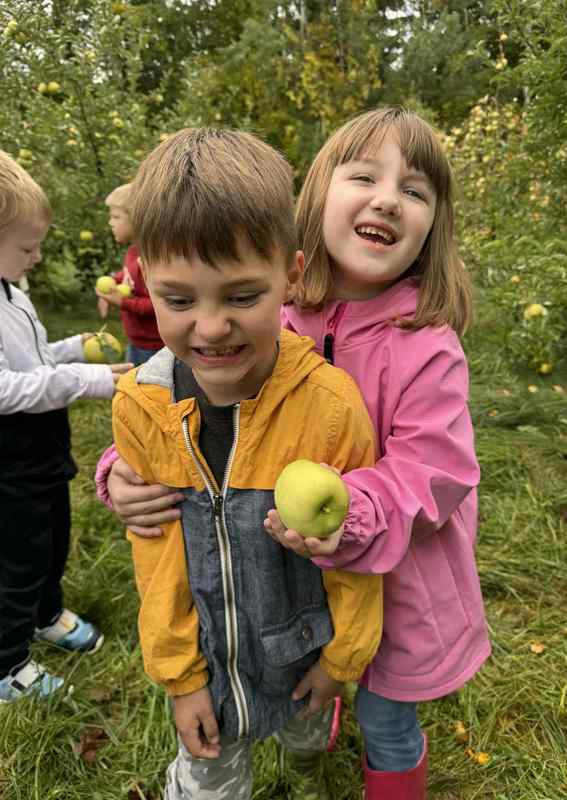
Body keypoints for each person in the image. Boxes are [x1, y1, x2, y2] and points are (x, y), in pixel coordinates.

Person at [96, 108, 491, 800]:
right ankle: (319, 702)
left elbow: (438, 471)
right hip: (292, 573)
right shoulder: (270, 312)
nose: (388, 198)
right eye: (364, 175)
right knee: (316, 667)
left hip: (400, 580)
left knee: (388, 717)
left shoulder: (426, 344)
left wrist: (354, 517)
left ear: (435, 224)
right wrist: (121, 472)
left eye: (416, 190)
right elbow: (182, 411)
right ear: (317, 198)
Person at [108, 127, 383, 799]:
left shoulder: (330, 404)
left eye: (240, 296)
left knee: (307, 741)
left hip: (302, 656)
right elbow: (158, 557)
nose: (209, 327)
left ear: (289, 275)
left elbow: (351, 552)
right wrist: (180, 678)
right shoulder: (142, 408)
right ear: (145, 279)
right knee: (208, 783)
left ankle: (312, 760)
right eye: (178, 300)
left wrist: (341, 661)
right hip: (208, 671)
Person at [0, 150, 132, 703]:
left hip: (43, 448)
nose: (35, 257)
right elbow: (6, 388)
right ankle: (6, 664)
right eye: (27, 247)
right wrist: (92, 379)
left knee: (53, 534)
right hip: (9, 457)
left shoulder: (13, 293)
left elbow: (32, 360)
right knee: (17, 555)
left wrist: (70, 348)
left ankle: (46, 613)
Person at [95, 183, 164, 366]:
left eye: (116, 217)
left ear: (137, 220)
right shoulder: (134, 252)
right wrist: (113, 280)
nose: (110, 222)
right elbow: (128, 275)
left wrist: (122, 302)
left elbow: (157, 303)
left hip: (154, 345)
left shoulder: (152, 259)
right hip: (137, 339)